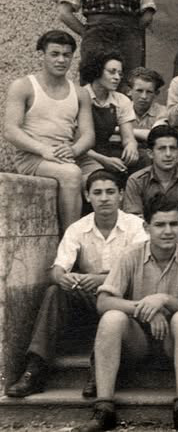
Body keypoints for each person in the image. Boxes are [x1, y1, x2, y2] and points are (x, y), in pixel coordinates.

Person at [4, 170, 147, 399]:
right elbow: (58, 268)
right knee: (55, 291)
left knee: (118, 299)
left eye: (110, 192)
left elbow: (141, 270)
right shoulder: (78, 228)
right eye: (97, 193)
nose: (104, 198)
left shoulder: (135, 226)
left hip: (123, 299)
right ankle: (35, 368)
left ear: (121, 195)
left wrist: (103, 280)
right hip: (89, 299)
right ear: (87, 196)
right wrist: (63, 276)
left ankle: (98, 372)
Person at [78, 197, 178, 432]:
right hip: (138, 341)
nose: (168, 231)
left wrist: (163, 299)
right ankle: (104, 407)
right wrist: (145, 309)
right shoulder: (131, 254)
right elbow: (103, 302)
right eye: (160, 225)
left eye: (174, 224)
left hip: (174, 340)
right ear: (146, 227)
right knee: (112, 318)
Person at [4, 30, 95, 231]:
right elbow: (10, 130)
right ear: (41, 55)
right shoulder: (23, 86)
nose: (61, 60)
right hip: (32, 157)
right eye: (54, 54)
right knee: (72, 174)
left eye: (66, 55)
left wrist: (74, 150)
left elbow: (88, 135)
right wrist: (43, 149)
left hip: (66, 155)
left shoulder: (80, 93)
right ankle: (70, 246)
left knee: (103, 182)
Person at [123, 126, 178, 244]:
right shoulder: (136, 180)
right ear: (150, 153)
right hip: (149, 230)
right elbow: (133, 218)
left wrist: (169, 221)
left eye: (172, 148)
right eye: (162, 149)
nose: (168, 154)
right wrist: (161, 223)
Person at [79, 51, 141, 175]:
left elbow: (128, 137)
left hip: (105, 149)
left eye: (120, 73)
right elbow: (75, 143)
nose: (117, 77)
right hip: (82, 153)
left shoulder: (121, 100)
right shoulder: (79, 96)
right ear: (97, 71)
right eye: (112, 72)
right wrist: (104, 160)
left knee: (143, 159)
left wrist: (131, 146)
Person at [127, 67, 168, 149]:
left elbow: (155, 136)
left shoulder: (163, 112)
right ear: (129, 91)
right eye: (139, 91)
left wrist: (120, 130)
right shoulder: (120, 109)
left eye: (149, 92)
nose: (144, 96)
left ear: (156, 93)